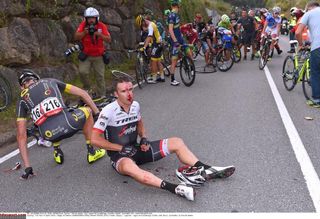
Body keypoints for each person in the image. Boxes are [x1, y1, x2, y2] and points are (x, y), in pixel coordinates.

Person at [90, 76, 235, 201]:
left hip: (136, 149)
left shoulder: (135, 105)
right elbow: (94, 139)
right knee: (132, 169)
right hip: (120, 156)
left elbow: (140, 124)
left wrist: (144, 137)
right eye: (123, 91)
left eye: (130, 90)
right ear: (116, 94)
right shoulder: (108, 111)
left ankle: (208, 169)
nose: (129, 94)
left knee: (177, 142)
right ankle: (176, 189)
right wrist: (120, 148)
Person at [16, 69, 106, 180]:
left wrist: (27, 167)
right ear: (37, 78)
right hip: (70, 125)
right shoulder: (49, 81)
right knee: (87, 110)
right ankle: (91, 152)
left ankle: (57, 151)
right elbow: (83, 93)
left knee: (48, 123)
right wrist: (97, 113)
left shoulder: (21, 100)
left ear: (22, 87)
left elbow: (21, 136)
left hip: (49, 136)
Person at [74, 7, 111, 97]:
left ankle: (102, 95)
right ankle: (88, 89)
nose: (91, 20)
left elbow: (109, 39)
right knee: (82, 72)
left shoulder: (101, 26)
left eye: (93, 18)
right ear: (86, 19)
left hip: (98, 55)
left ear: (96, 18)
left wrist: (99, 35)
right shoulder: (83, 25)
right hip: (86, 55)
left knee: (100, 76)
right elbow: (76, 37)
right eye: (89, 18)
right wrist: (84, 33)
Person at [296, 1, 320, 107]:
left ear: (309, 8)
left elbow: (298, 32)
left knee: (315, 72)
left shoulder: (309, 13)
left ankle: (316, 100)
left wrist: (301, 44)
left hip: (318, 47)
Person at [167, 0, 194, 86]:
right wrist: (175, 41)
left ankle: (191, 68)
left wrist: (183, 28)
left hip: (180, 38)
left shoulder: (176, 14)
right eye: (179, 5)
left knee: (189, 52)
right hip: (175, 40)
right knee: (174, 59)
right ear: (177, 5)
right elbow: (170, 30)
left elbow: (176, 28)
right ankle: (172, 79)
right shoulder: (171, 15)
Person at [135, 15, 165, 83]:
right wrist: (145, 42)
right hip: (159, 43)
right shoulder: (150, 24)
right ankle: (162, 77)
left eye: (142, 24)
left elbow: (149, 36)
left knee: (153, 61)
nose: (142, 26)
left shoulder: (151, 26)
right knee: (158, 61)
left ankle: (154, 78)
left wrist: (144, 47)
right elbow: (148, 38)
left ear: (143, 21)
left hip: (156, 44)